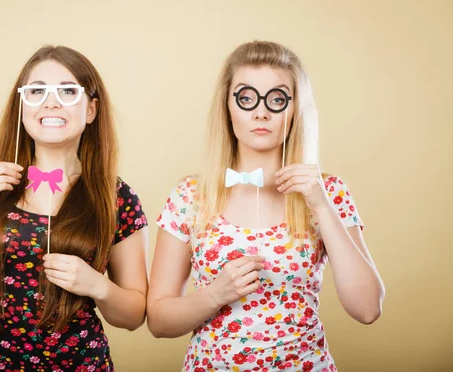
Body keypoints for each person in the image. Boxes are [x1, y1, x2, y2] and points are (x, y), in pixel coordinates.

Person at [147, 41, 385, 371]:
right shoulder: (190, 197)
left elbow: (368, 309)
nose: (261, 112)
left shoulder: (328, 192)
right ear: (227, 108)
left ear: (295, 108)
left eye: (277, 99)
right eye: (246, 98)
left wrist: (321, 205)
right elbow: (158, 321)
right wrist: (215, 295)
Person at [0, 45, 148, 371]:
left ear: (91, 110)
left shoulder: (116, 197)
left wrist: (97, 285)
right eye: (37, 91)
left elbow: (134, 316)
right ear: (22, 105)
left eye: (68, 91)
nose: (51, 102)